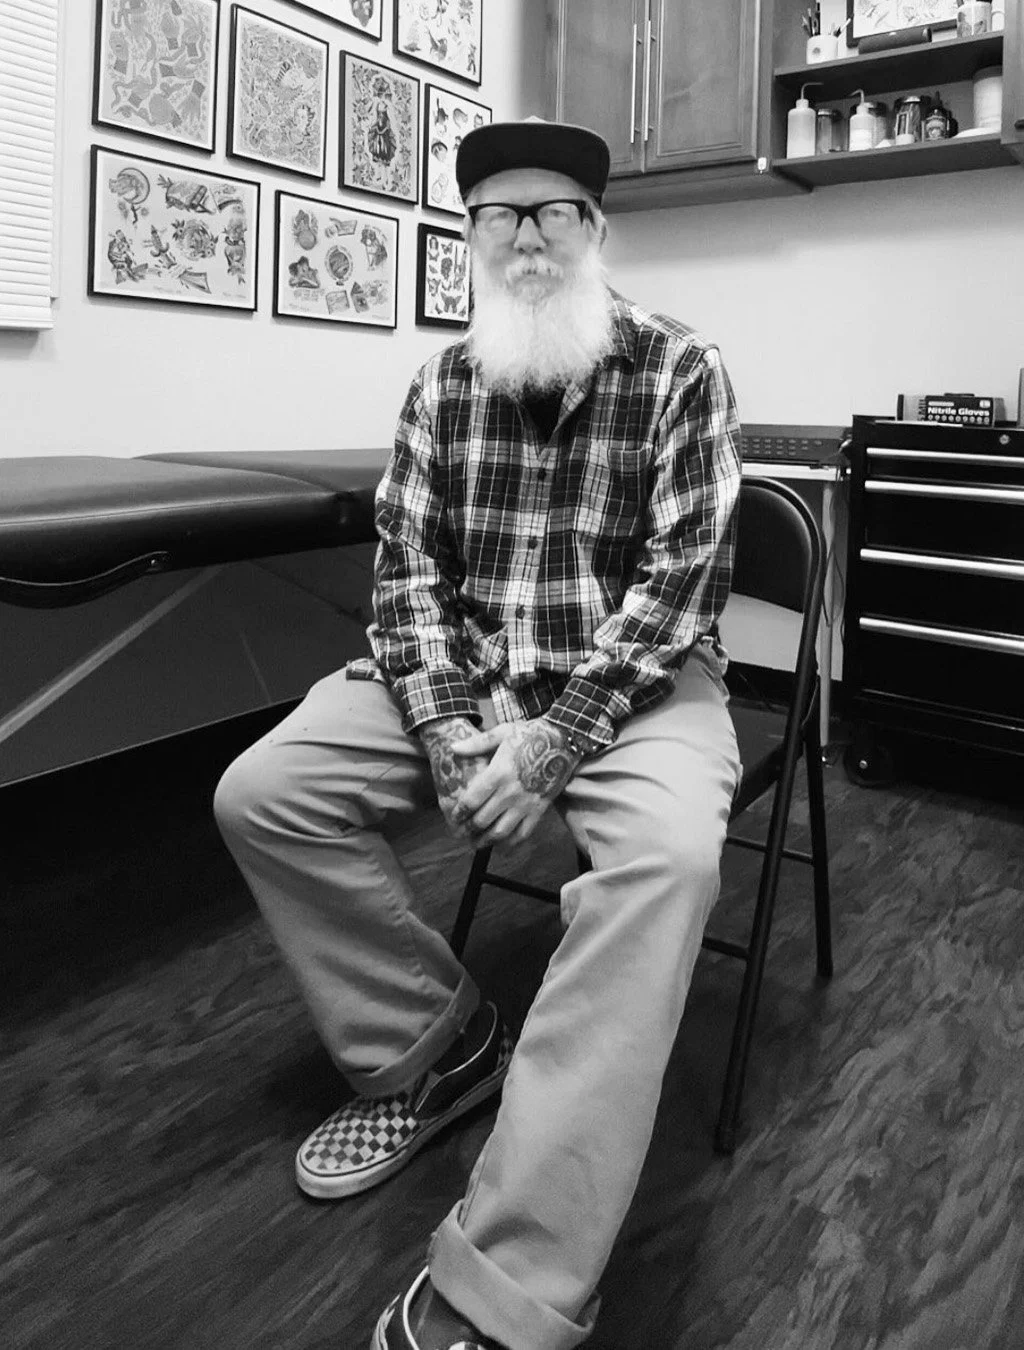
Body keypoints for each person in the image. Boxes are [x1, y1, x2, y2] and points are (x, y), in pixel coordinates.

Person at [214, 117, 742, 1350]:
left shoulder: (680, 367)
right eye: (500, 215)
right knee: (264, 789)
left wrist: (553, 744)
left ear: (598, 232)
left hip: (638, 692)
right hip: (470, 681)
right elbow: (405, 581)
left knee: (664, 868)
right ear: (471, 238)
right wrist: (453, 734)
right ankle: (432, 1050)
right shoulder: (440, 385)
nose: (527, 237)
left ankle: (517, 1281)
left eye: (554, 212)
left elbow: (683, 588)